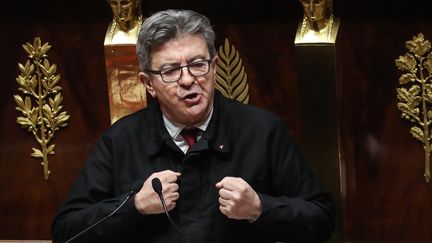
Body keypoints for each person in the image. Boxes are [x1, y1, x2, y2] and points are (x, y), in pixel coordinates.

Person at [52, 9, 336, 243]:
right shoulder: (121, 140)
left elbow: (322, 220)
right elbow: (66, 232)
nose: (188, 80)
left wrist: (260, 208)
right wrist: (134, 206)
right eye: (170, 70)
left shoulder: (262, 131)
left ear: (214, 67)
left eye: (198, 64)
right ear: (148, 84)